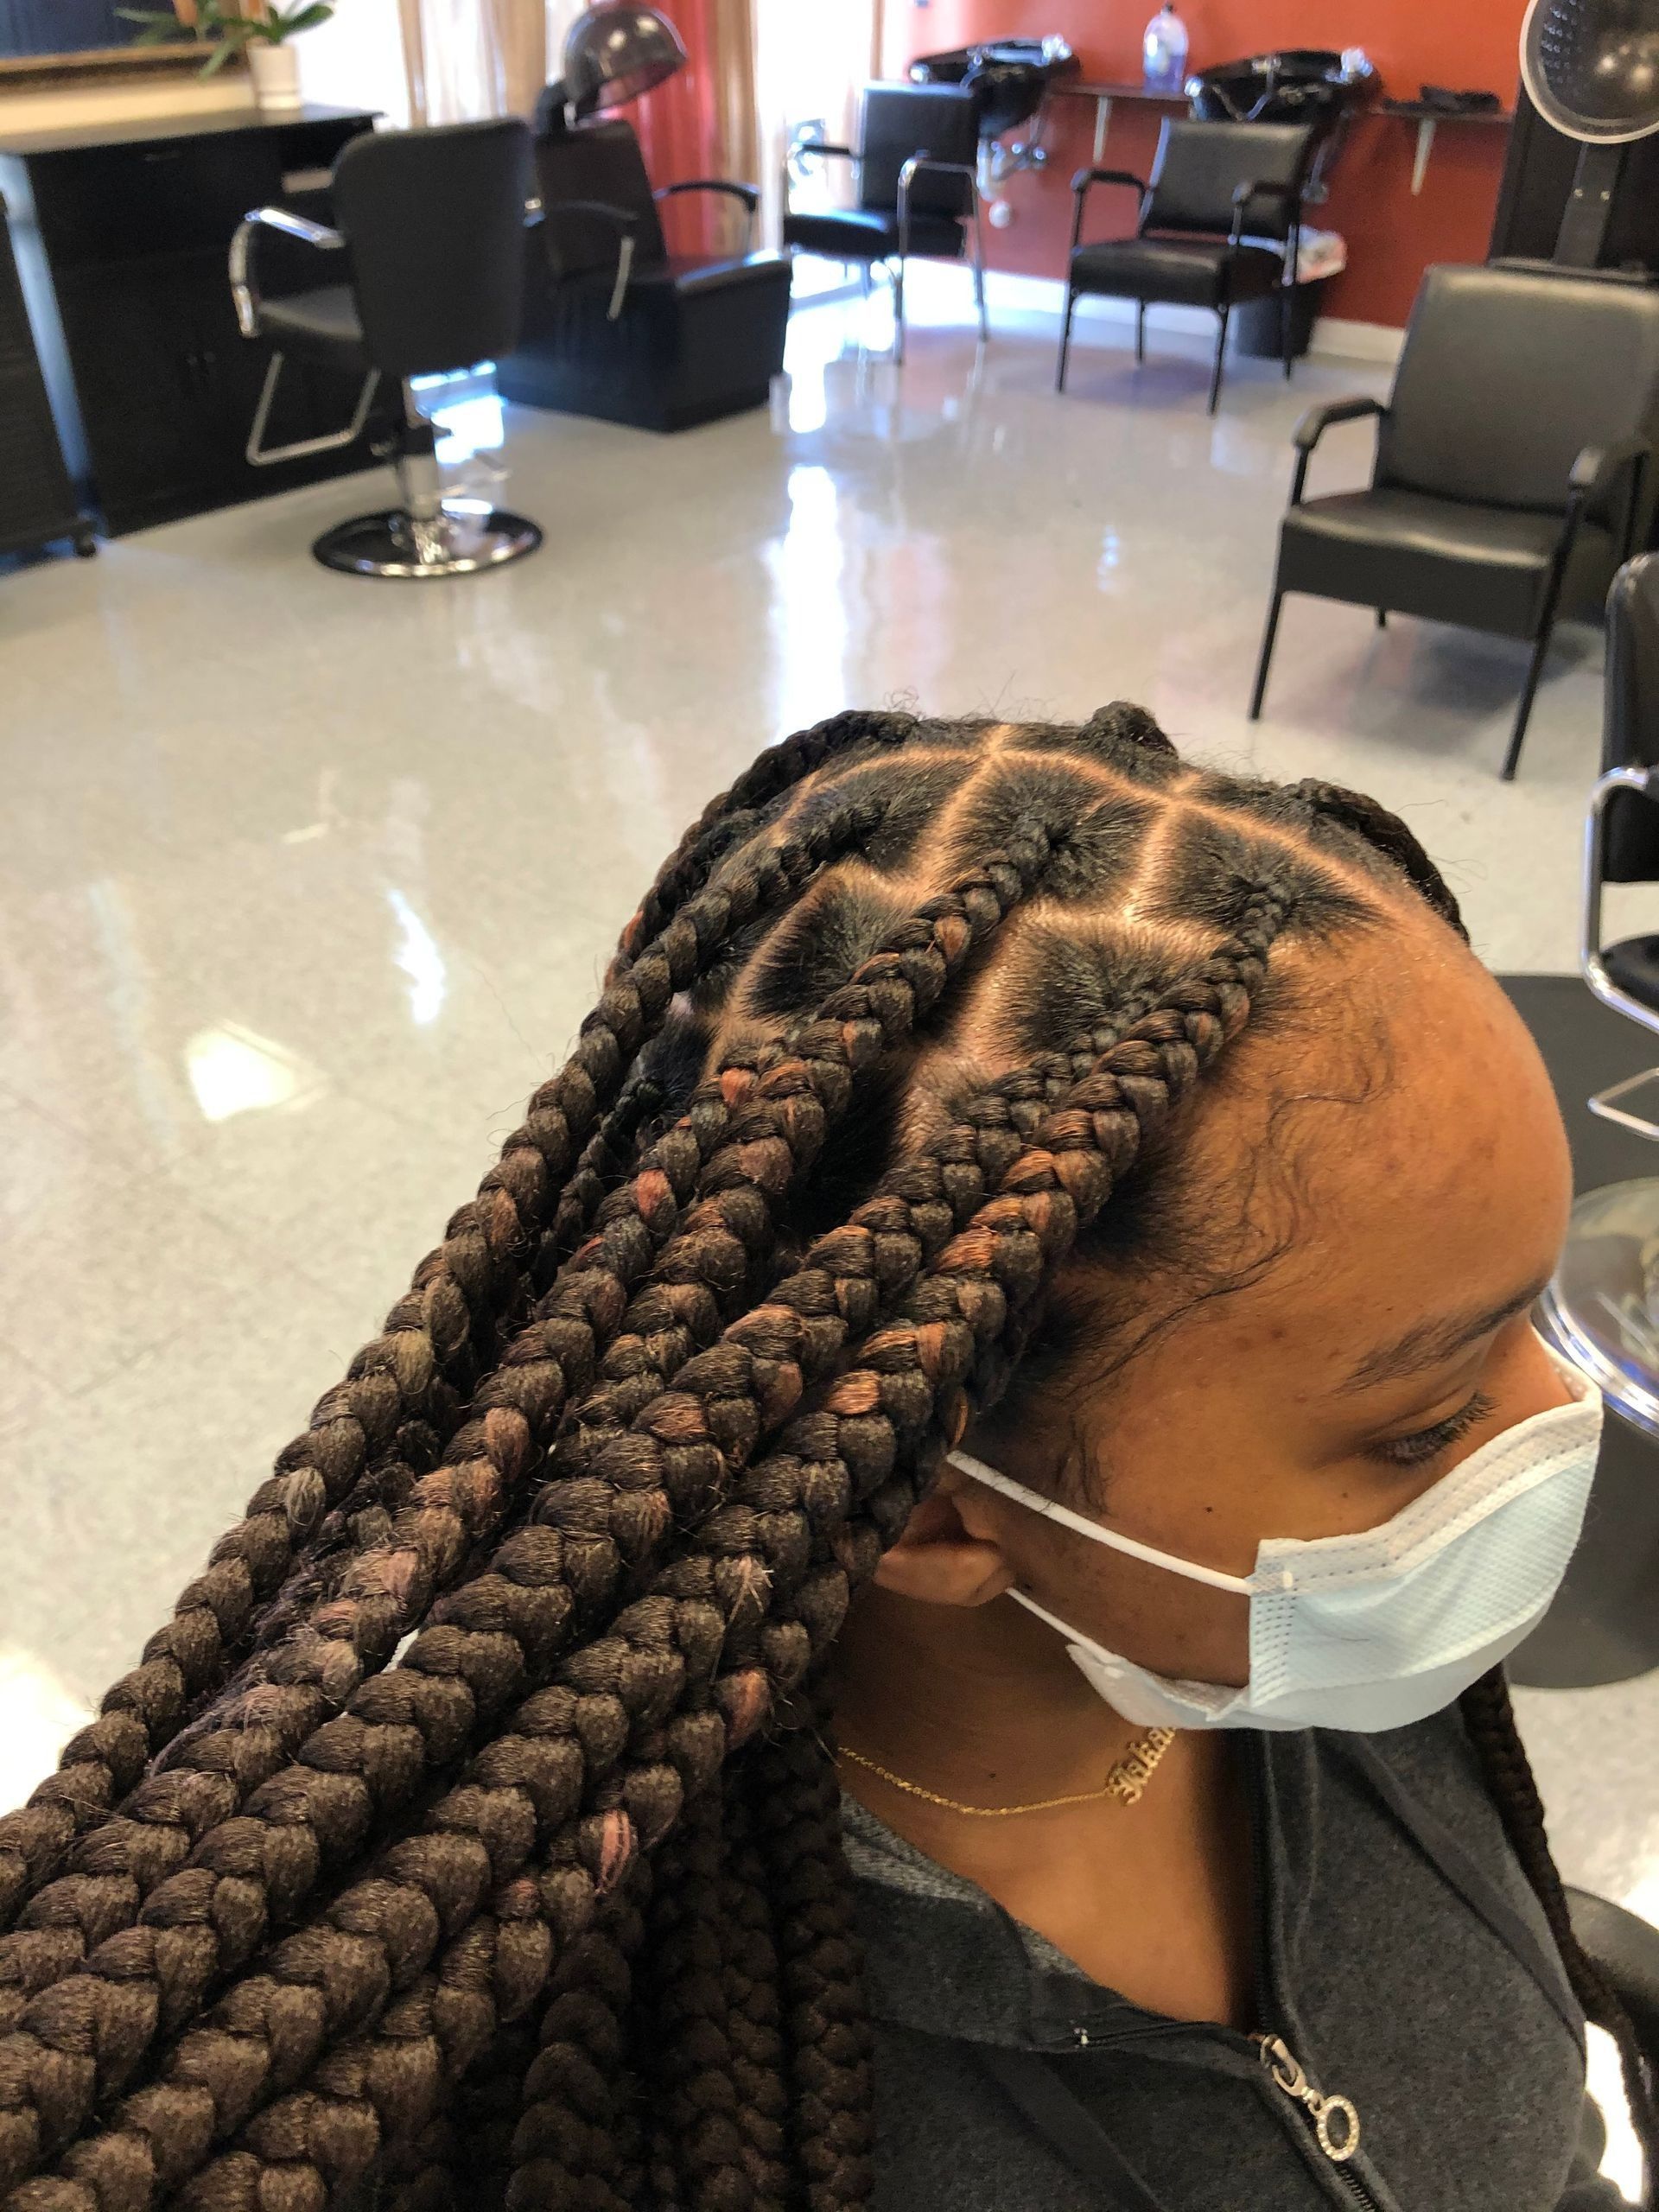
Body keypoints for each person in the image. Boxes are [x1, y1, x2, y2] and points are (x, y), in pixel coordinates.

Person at [0, 706, 1649, 2212]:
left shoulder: (1309, 1678)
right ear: (931, 1501)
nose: (1552, 1422)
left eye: (1531, 1315)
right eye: (1422, 1423)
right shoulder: (597, 2079)